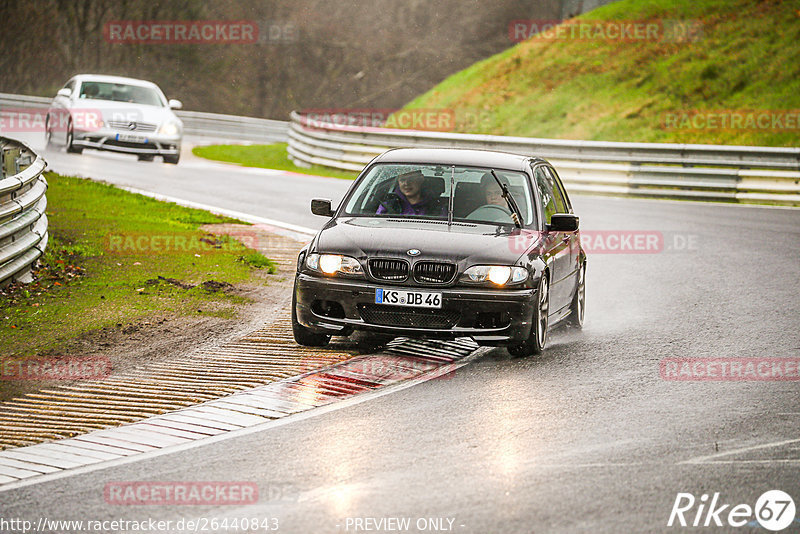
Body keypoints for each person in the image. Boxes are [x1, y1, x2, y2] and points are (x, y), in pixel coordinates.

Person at [376, 170, 446, 216]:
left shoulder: (438, 208)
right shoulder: (388, 206)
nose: (406, 183)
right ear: (398, 182)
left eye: (411, 179)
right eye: (402, 180)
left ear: (421, 179)